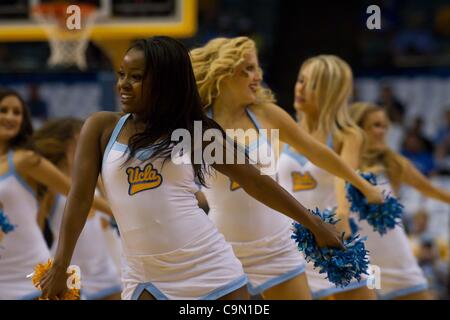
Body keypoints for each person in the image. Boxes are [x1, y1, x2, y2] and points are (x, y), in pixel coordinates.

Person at [38, 36, 345, 300]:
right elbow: (79, 198)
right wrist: (60, 265)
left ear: (164, 84)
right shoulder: (102, 128)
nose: (123, 85)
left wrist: (314, 225)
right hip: (143, 275)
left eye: (136, 77)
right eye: (121, 74)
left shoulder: (196, 132)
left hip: (210, 270)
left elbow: (256, 181)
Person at [190, 37, 382, 299]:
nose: (257, 76)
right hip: (224, 249)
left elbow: (317, 152)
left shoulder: (266, 114)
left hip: (277, 247)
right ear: (223, 71)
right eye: (247, 69)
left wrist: (362, 185)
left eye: (257, 68)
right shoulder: (195, 124)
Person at [277, 55, 376, 300]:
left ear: (330, 91)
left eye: (312, 85)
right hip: (291, 243)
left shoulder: (347, 135)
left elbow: (344, 179)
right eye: (300, 80)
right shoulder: (280, 133)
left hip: (333, 237)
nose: (300, 88)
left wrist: (341, 217)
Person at [0, 88, 111, 300]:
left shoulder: (26, 160)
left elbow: (76, 194)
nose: (10, 117)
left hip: (34, 275)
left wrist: (119, 213)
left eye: (17, 112)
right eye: (3, 110)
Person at [349, 101, 450, 299]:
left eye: (385, 126)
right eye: (376, 125)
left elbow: (430, 189)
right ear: (357, 128)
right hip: (363, 259)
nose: (383, 131)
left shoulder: (391, 162)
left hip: (395, 255)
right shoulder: (339, 163)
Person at [34, 118, 122, 300]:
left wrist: (97, 174)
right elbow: (35, 228)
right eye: (80, 142)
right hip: (69, 276)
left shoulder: (95, 183)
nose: (88, 148)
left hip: (106, 276)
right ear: (64, 146)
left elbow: (115, 210)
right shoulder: (52, 188)